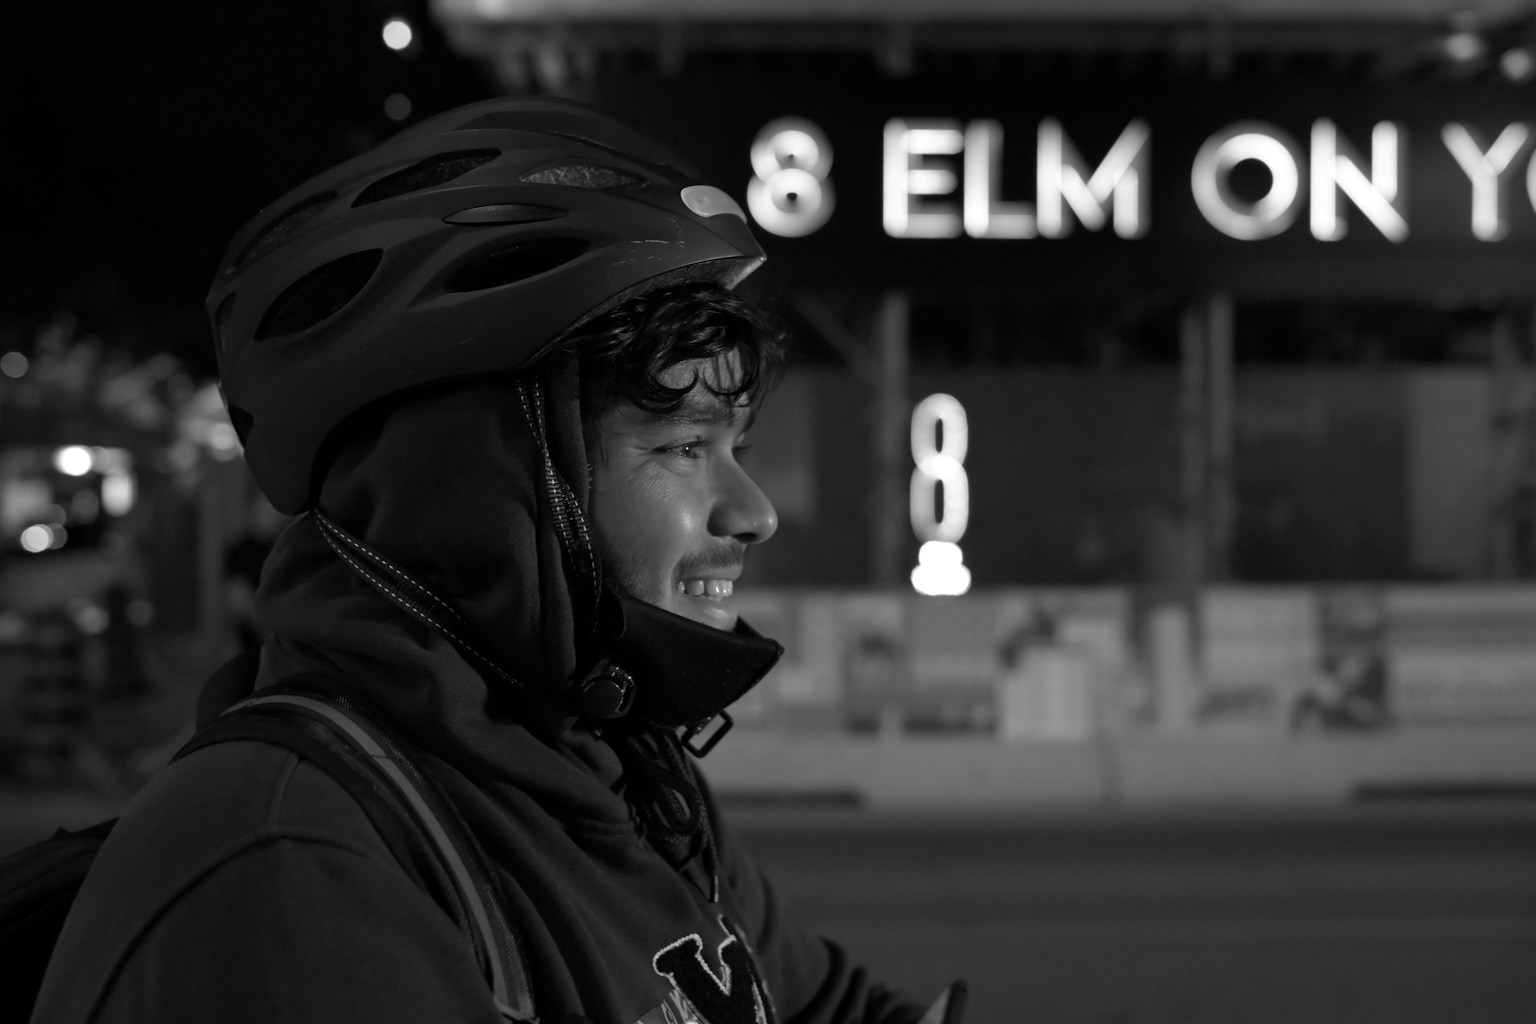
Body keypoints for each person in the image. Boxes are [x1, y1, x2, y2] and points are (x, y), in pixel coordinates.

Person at [33, 98, 962, 1024]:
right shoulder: (293, 861)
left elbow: (829, 1007)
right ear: (483, 483)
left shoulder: (624, 772)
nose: (753, 513)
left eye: (739, 451)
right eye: (682, 447)